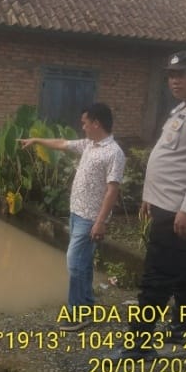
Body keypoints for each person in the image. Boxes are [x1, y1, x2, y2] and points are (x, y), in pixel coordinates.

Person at [112, 50, 186, 360]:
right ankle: (181, 329)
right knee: (183, 271)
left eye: (183, 73)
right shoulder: (184, 108)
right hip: (168, 206)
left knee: (157, 275)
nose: (175, 80)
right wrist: (150, 198)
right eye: (171, 74)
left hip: (184, 210)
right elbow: (172, 160)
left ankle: (140, 345)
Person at [19, 104, 125, 322]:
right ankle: (86, 304)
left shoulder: (113, 153)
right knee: (83, 263)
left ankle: (77, 313)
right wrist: (37, 141)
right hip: (77, 213)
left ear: (96, 123)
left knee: (74, 263)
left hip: (90, 218)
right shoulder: (89, 145)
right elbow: (62, 144)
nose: (82, 126)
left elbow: (112, 190)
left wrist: (100, 222)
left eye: (85, 122)